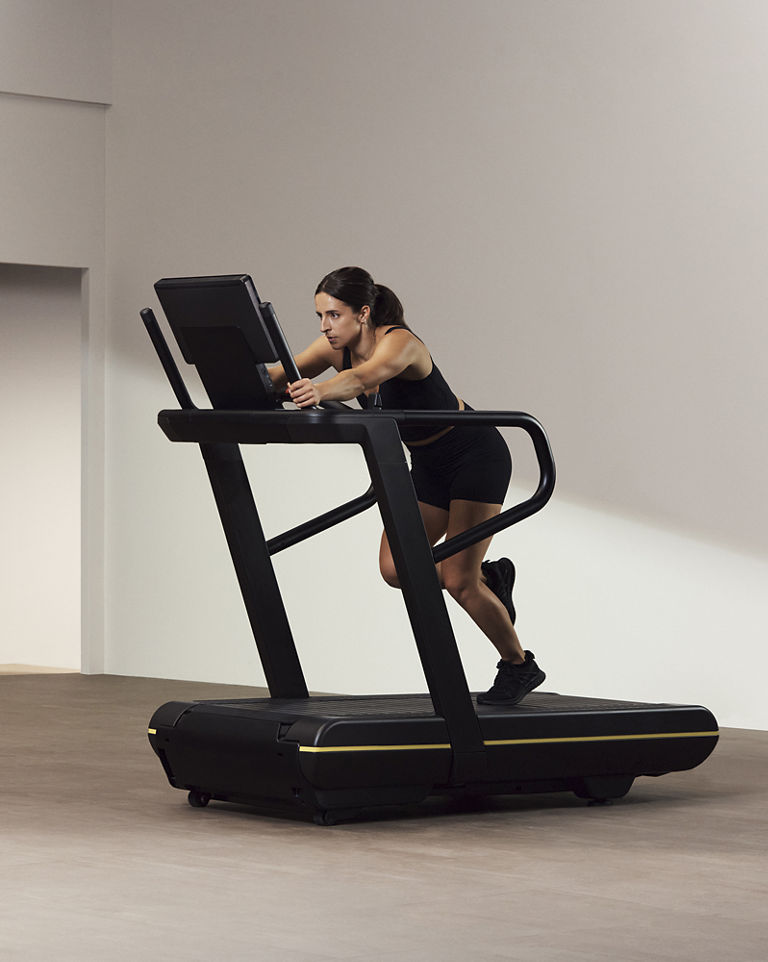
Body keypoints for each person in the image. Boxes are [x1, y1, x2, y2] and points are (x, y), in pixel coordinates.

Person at [268, 266, 545, 706]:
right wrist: (241, 378)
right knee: (397, 569)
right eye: (320, 316)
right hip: (429, 463)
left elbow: (364, 378)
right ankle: (490, 578)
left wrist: (318, 392)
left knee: (458, 580)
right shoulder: (333, 347)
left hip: (475, 455)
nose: (324, 326)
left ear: (362, 313)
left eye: (334, 315)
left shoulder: (399, 342)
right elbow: (278, 373)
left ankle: (518, 664)